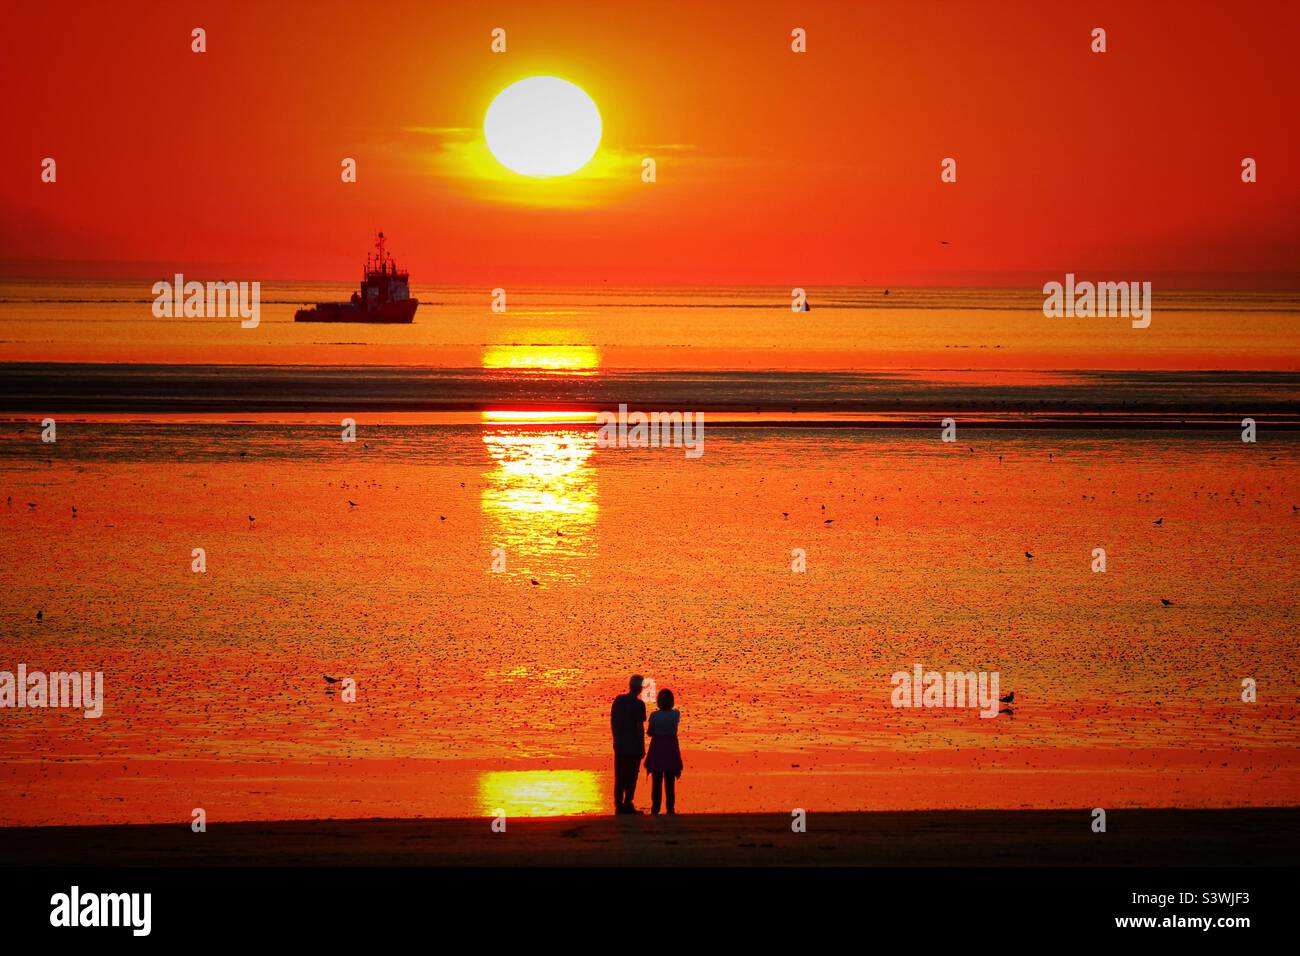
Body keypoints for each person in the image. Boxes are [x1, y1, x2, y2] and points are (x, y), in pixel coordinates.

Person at [609, 675, 647, 814]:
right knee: (631, 775)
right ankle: (627, 802)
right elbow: (639, 727)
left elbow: (613, 721)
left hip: (620, 744)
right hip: (633, 746)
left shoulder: (618, 701)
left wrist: (615, 739)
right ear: (639, 688)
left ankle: (619, 805)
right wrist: (642, 746)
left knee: (620, 775)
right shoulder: (639, 705)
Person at [644, 688, 683, 815]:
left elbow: (650, 732)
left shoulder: (654, 716)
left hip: (657, 748)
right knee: (670, 782)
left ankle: (655, 808)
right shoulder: (675, 714)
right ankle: (670, 808)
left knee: (657, 781)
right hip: (671, 748)